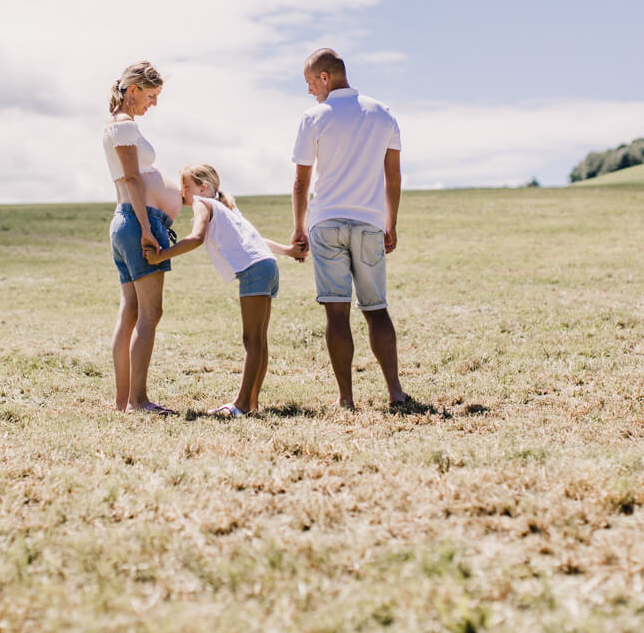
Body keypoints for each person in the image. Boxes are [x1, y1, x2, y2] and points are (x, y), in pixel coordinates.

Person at [290, 48, 414, 410]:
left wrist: (299, 228)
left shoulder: (313, 117)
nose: (310, 90)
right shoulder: (383, 113)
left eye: (310, 82)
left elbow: (301, 181)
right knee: (376, 309)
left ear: (325, 77)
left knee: (336, 312)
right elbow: (393, 175)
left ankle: (346, 398)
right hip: (369, 223)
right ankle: (395, 391)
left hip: (326, 223)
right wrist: (390, 222)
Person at [145, 164, 301, 416]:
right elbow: (257, 239)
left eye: (185, 187)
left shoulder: (202, 203)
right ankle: (252, 402)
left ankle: (241, 404)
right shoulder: (227, 208)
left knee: (251, 340)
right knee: (258, 340)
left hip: (253, 269)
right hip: (267, 266)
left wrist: (161, 255)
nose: (182, 192)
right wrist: (288, 250)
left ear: (202, 188)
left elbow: (196, 238)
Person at [102, 61, 182, 414]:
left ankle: (124, 401)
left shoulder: (120, 126)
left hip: (125, 222)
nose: (154, 103)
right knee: (151, 313)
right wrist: (149, 230)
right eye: (151, 95)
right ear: (132, 90)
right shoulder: (122, 126)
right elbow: (133, 179)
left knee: (131, 312)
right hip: (137, 222)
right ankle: (138, 400)